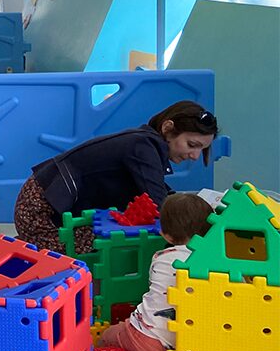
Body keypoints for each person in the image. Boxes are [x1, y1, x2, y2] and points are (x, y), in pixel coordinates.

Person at [14, 100, 218, 254]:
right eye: (192, 145)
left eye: (202, 150)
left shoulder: (145, 144)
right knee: (112, 244)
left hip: (40, 205)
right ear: (167, 128)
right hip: (39, 214)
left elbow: (159, 191)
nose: (195, 156)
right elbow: (160, 204)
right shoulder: (143, 147)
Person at [98, 193, 213, 351]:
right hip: (190, 347)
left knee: (107, 336)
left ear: (166, 235)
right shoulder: (214, 262)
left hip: (144, 339)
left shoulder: (162, 257)